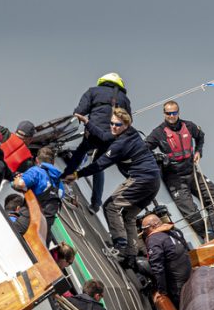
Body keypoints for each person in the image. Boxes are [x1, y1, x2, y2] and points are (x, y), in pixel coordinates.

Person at [66, 107, 160, 268]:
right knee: (128, 217)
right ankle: (131, 256)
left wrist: (77, 175)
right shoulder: (130, 132)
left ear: (125, 125)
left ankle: (120, 246)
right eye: (112, 124)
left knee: (110, 206)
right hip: (153, 182)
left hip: (141, 180)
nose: (113, 127)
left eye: (117, 125)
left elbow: (99, 165)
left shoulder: (120, 145)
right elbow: (104, 135)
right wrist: (87, 122)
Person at [145, 100, 214, 241]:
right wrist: (156, 157)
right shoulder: (158, 133)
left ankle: (212, 230)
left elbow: (200, 137)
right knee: (192, 213)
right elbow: (144, 148)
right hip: (175, 179)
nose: (171, 116)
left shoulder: (189, 126)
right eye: (168, 113)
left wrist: (198, 152)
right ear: (164, 114)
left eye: (174, 113)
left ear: (178, 112)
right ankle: (207, 238)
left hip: (193, 172)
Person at [64, 73, 132, 214]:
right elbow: (129, 120)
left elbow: (79, 112)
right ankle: (95, 204)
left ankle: (65, 179)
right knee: (98, 165)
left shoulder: (93, 91)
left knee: (80, 152)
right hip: (112, 138)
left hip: (93, 133)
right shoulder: (124, 99)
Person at [11, 146, 64, 244]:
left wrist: (14, 182)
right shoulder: (59, 183)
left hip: (28, 220)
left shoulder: (36, 171)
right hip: (44, 231)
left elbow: (20, 184)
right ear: (53, 163)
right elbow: (60, 196)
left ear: (36, 160)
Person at [141, 213, 192, 309]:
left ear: (153, 226)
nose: (143, 232)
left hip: (177, 284)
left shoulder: (153, 240)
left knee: (182, 307)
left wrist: (162, 291)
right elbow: (186, 249)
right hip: (189, 274)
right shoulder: (175, 230)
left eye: (144, 229)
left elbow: (158, 268)